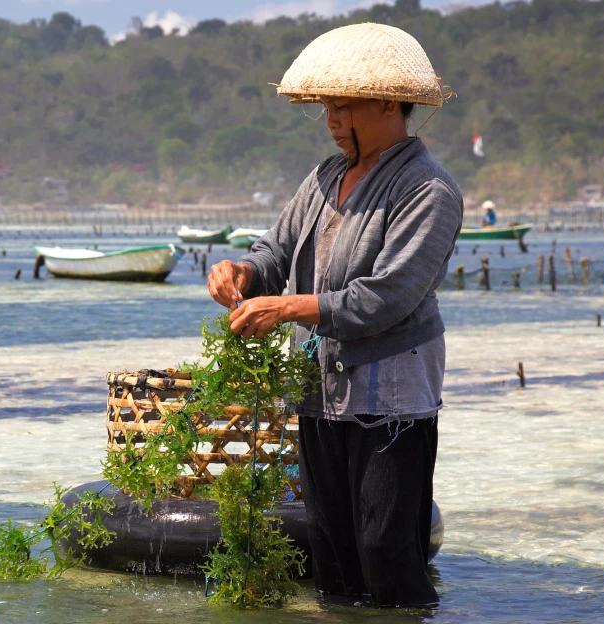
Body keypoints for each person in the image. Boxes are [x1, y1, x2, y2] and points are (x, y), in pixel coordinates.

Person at [206, 23, 462, 608]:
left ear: (388, 105)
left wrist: (289, 307)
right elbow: (275, 251)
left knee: (386, 554)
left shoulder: (428, 189)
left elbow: (388, 296)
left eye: (342, 108)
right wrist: (243, 274)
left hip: (391, 398)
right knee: (334, 554)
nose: (330, 121)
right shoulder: (324, 178)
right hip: (320, 390)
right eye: (326, 108)